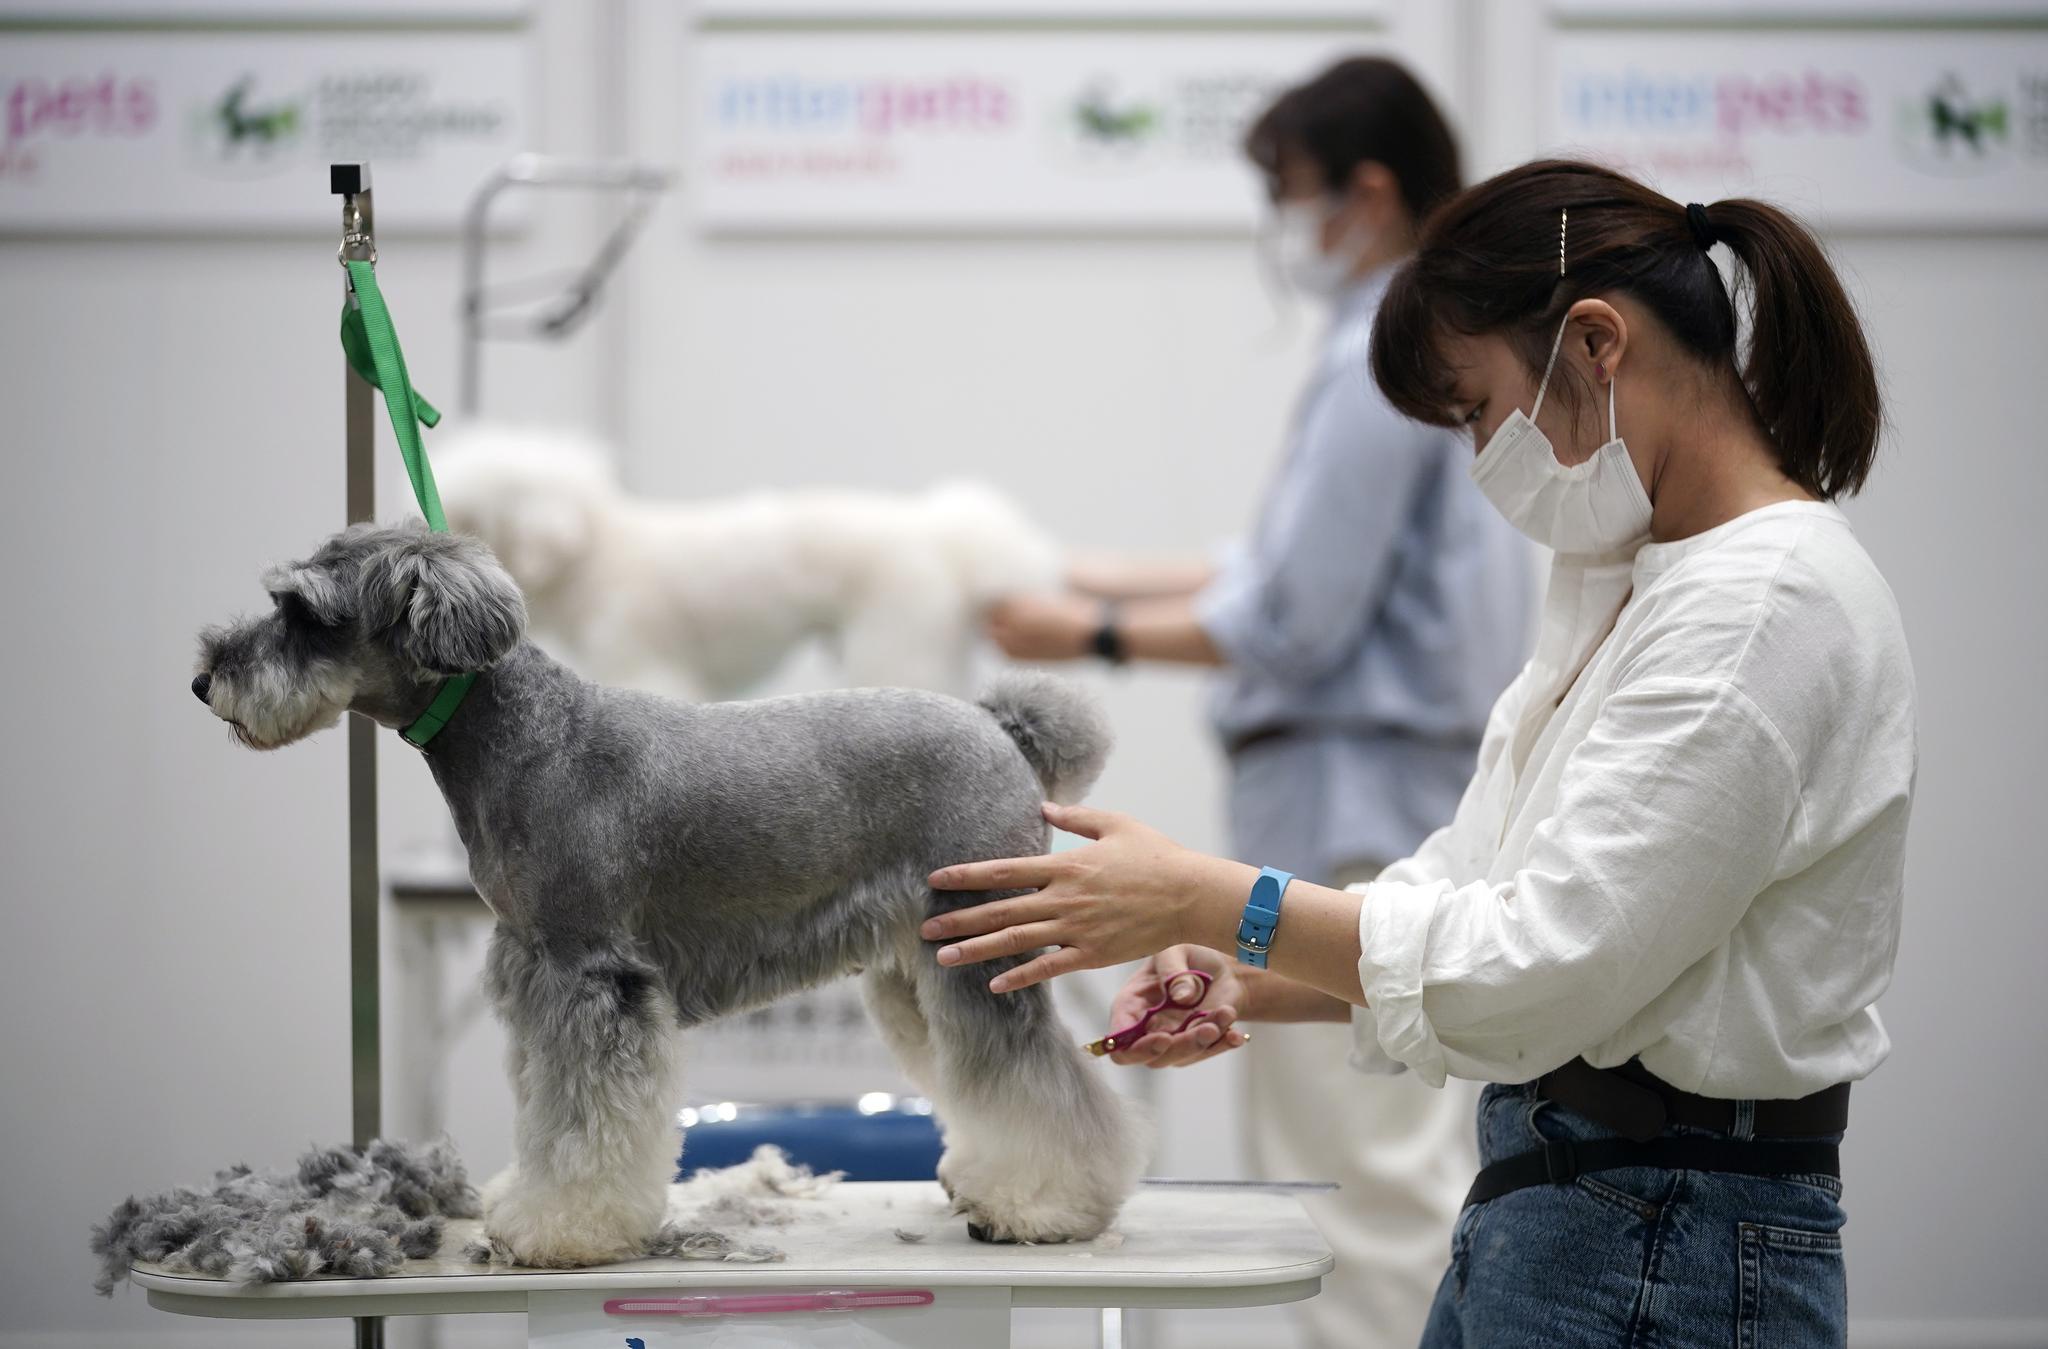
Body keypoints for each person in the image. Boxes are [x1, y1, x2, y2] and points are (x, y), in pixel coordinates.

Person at [928, 157, 1913, 1348]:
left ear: (1593, 345)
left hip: (1664, 1233)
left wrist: (1213, 897)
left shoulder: (1760, 606)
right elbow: (1474, 881)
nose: (1478, 453)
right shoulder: (1627, 583)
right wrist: (1241, 964)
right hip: (1573, 1207)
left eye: (1475, 411)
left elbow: (1540, 964)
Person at [981, 57, 1533, 1349]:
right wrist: (1084, 577)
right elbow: (1275, 571)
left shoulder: (1384, 351)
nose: (1282, 224)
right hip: (1374, 798)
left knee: (1362, 1192)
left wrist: (1089, 628)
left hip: (1359, 807)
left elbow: (1293, 615)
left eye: (1292, 191)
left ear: (1370, 188)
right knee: (1365, 1170)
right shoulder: (1407, 340)